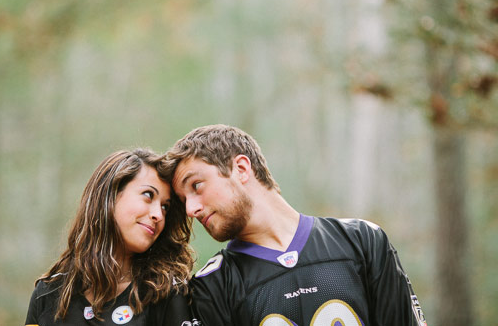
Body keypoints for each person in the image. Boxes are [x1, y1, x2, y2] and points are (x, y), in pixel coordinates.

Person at [162, 124, 427, 326]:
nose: (190, 209)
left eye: (196, 185)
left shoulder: (362, 240)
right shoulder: (214, 284)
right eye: (184, 200)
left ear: (241, 169)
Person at [25, 148, 198, 326]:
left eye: (165, 207)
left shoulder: (166, 293)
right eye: (148, 195)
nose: (158, 215)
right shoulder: (47, 294)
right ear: (109, 196)